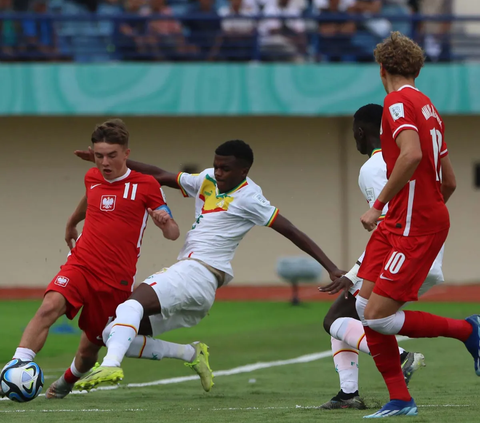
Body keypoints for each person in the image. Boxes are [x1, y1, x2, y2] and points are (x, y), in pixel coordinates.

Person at [72, 139, 346, 391]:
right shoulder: (207, 179)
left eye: (225, 168)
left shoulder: (250, 197)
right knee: (114, 333)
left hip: (198, 271)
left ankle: (110, 366)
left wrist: (331, 267)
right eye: (216, 166)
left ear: (244, 171)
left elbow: (291, 230)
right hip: (198, 286)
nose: (218, 172)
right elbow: (162, 175)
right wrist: (117, 163)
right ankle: (191, 354)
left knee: (130, 307)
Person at [0, 119, 182, 400]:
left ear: (126, 153)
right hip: (81, 264)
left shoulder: (146, 185)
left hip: (115, 281)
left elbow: (173, 233)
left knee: (88, 350)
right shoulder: (92, 176)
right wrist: (72, 222)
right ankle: (17, 364)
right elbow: (90, 197)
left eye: (111, 156)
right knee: (49, 305)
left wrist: (164, 220)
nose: (104, 163)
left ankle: (65, 382)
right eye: (99, 156)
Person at [354, 32, 479, 418]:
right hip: (406, 221)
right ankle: (400, 400)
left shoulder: (395, 103)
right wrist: (419, 208)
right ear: (417, 68)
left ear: (382, 69)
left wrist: (379, 205)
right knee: (363, 306)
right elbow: (450, 182)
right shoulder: (429, 107)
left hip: (409, 225)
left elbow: (410, 155)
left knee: (379, 316)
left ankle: (469, 330)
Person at [319, 103, 448, 410]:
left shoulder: (375, 166)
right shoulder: (410, 158)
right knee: (347, 317)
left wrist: (353, 273)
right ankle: (348, 394)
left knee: (336, 320)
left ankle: (404, 356)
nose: (355, 141)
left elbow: (393, 222)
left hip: (403, 257)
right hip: (423, 256)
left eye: (355, 135)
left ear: (361, 133)